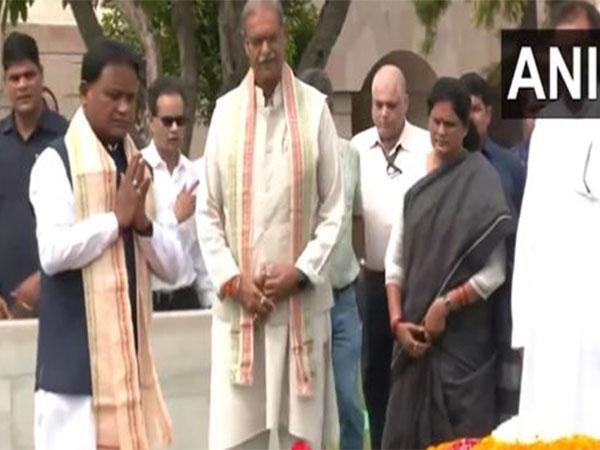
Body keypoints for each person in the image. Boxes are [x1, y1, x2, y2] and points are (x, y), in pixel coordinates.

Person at [197, 1, 343, 449]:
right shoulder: (224, 114)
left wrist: (299, 272)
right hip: (243, 312)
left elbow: (334, 208)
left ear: (285, 39)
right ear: (244, 45)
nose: (265, 49)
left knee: (302, 437)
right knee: (239, 438)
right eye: (256, 41)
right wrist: (234, 282)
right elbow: (207, 211)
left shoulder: (315, 109)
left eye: (272, 39)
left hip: (298, 306)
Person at [29, 39, 183, 450]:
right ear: (84, 93)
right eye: (112, 96)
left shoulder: (139, 168)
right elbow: (54, 252)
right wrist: (115, 220)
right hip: (73, 381)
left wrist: (142, 223)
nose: (123, 108)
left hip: (129, 373)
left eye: (131, 98)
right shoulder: (55, 162)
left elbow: (175, 266)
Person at [382, 77, 515, 449]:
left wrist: (446, 304)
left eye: (450, 124)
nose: (440, 132)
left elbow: (495, 271)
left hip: (463, 352)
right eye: (435, 122)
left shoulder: (481, 180)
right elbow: (395, 261)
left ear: (465, 127)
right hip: (414, 342)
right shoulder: (414, 178)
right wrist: (397, 323)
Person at [493, 2, 600, 442]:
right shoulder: (547, 130)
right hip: (550, 318)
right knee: (551, 430)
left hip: (593, 311)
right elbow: (531, 230)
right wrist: (524, 321)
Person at [350, 64, 430, 450]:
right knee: (373, 374)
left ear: (406, 104)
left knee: (412, 374)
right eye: (378, 105)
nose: (384, 113)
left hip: (414, 282)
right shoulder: (356, 149)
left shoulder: (428, 147)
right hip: (370, 279)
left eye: (392, 105)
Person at [300, 68, 364, 450]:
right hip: (306, 300)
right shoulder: (294, 158)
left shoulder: (351, 154)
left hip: (344, 298)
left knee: (348, 399)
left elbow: (356, 216)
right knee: (308, 406)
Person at [0, 32, 68, 319]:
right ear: (5, 84)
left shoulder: (69, 139)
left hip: (59, 300)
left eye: (29, 75)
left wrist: (43, 279)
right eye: (14, 78)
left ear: (42, 76)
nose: (23, 85)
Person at [142, 76, 213, 310]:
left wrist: (210, 302)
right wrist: (175, 217)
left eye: (180, 121)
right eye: (167, 121)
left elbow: (201, 248)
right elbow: (142, 238)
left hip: (188, 295)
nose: (174, 129)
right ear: (150, 121)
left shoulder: (195, 175)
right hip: (150, 298)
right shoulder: (138, 169)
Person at [459, 72, 525, 213]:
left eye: (475, 109)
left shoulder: (510, 165)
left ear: (488, 115)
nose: (470, 118)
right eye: (464, 110)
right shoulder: (443, 162)